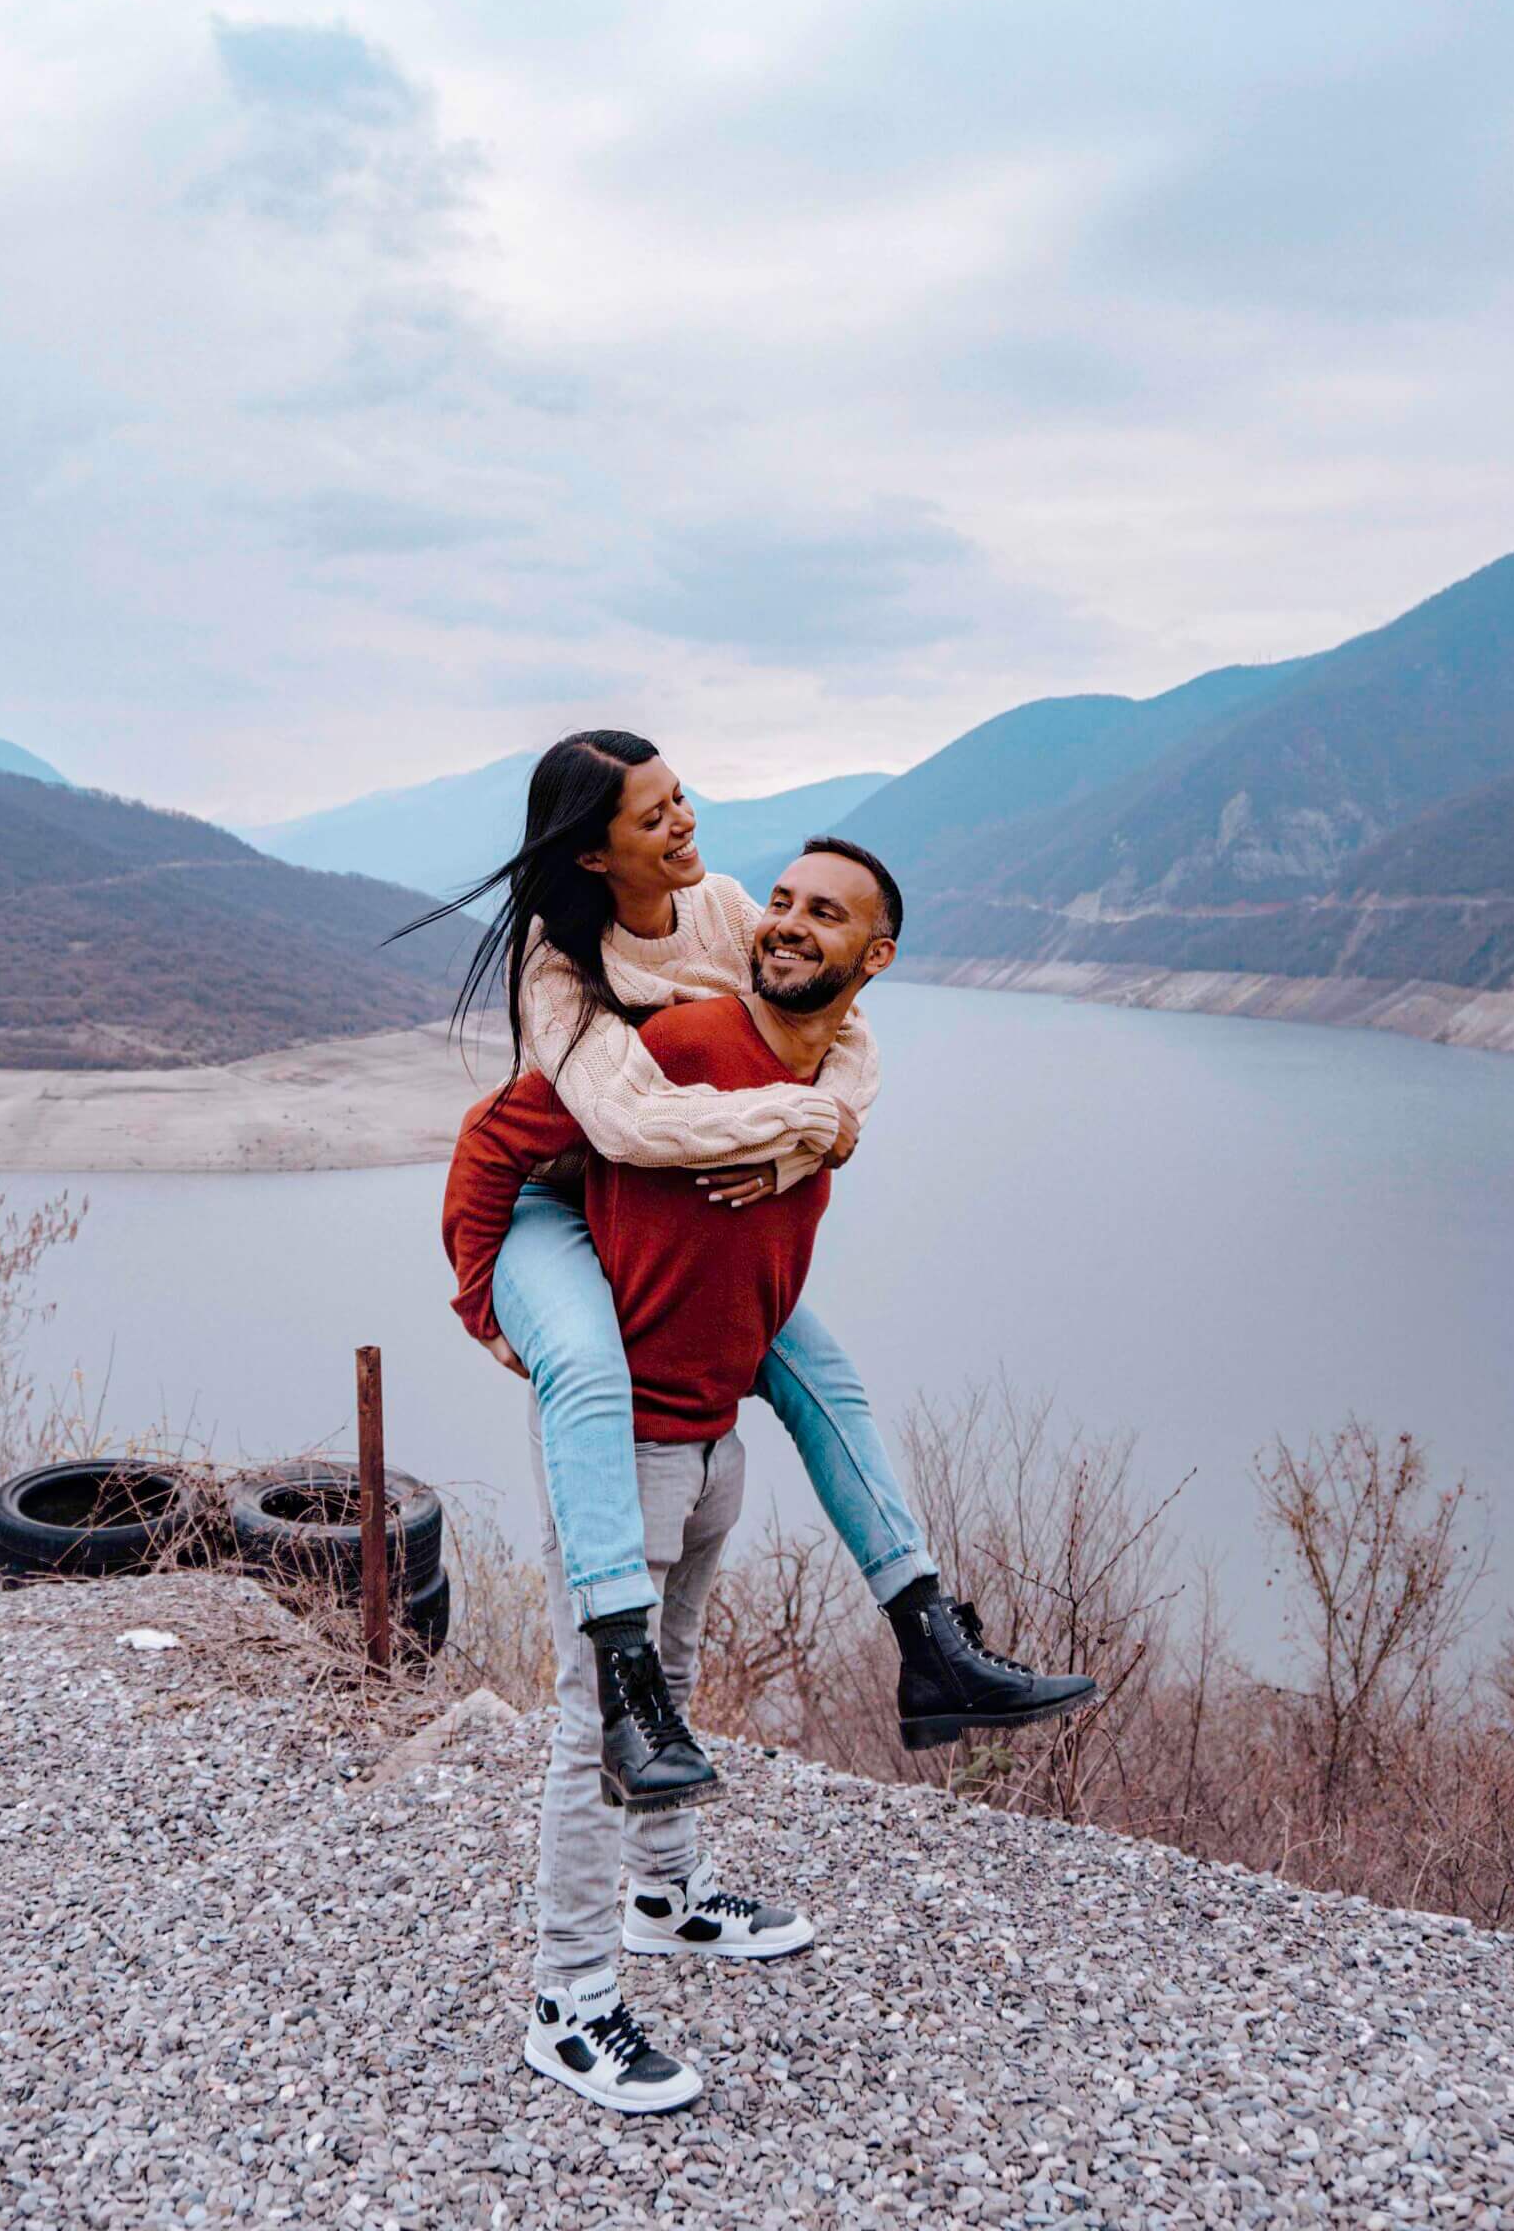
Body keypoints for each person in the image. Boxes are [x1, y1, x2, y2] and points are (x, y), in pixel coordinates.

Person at [442, 842, 1096, 2113]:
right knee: (598, 1728)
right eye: (781, 902)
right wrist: (487, 1303)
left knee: (670, 1689)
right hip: (621, 1445)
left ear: (876, 957)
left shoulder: (829, 1083)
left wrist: (818, 1141)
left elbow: (809, 1156)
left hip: (714, 1439)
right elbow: (496, 1135)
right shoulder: (679, 1039)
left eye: (825, 912)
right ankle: (567, 2002)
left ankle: (668, 1895)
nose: (788, 922)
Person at [399, 732, 1092, 1811]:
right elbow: (592, 1126)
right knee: (583, 1366)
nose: (685, 819)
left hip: (641, 1210)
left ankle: (928, 1634)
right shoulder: (563, 969)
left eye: (681, 797)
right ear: (592, 855)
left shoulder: (724, 912)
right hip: (549, 1199)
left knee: (828, 1380)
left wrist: (805, 1133)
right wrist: (478, 1297)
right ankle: (623, 1676)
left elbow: (830, 1037)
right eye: (653, 815)